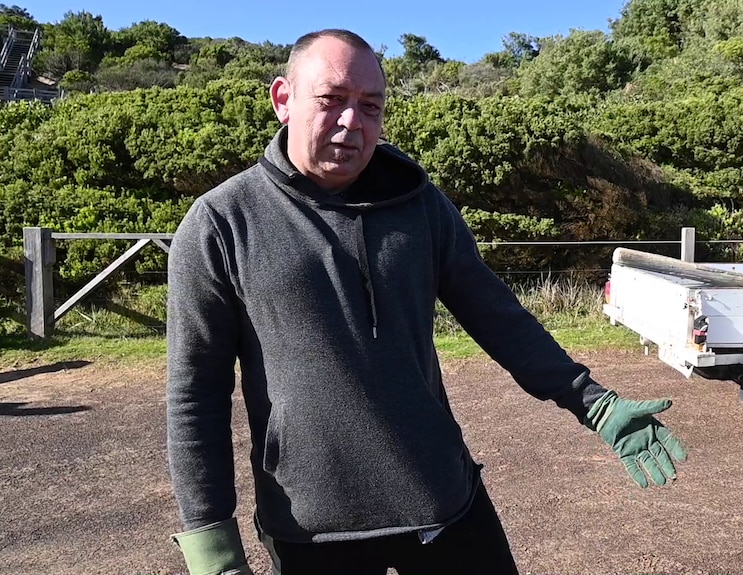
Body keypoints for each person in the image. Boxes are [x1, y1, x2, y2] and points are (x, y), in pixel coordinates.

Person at [166, 28, 687, 575]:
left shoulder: (419, 206)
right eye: (331, 99)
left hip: (442, 499)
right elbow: (195, 393)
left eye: (371, 106)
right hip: (312, 527)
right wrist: (213, 550)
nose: (351, 122)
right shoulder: (221, 223)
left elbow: (498, 317)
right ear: (283, 99)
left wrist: (594, 403)